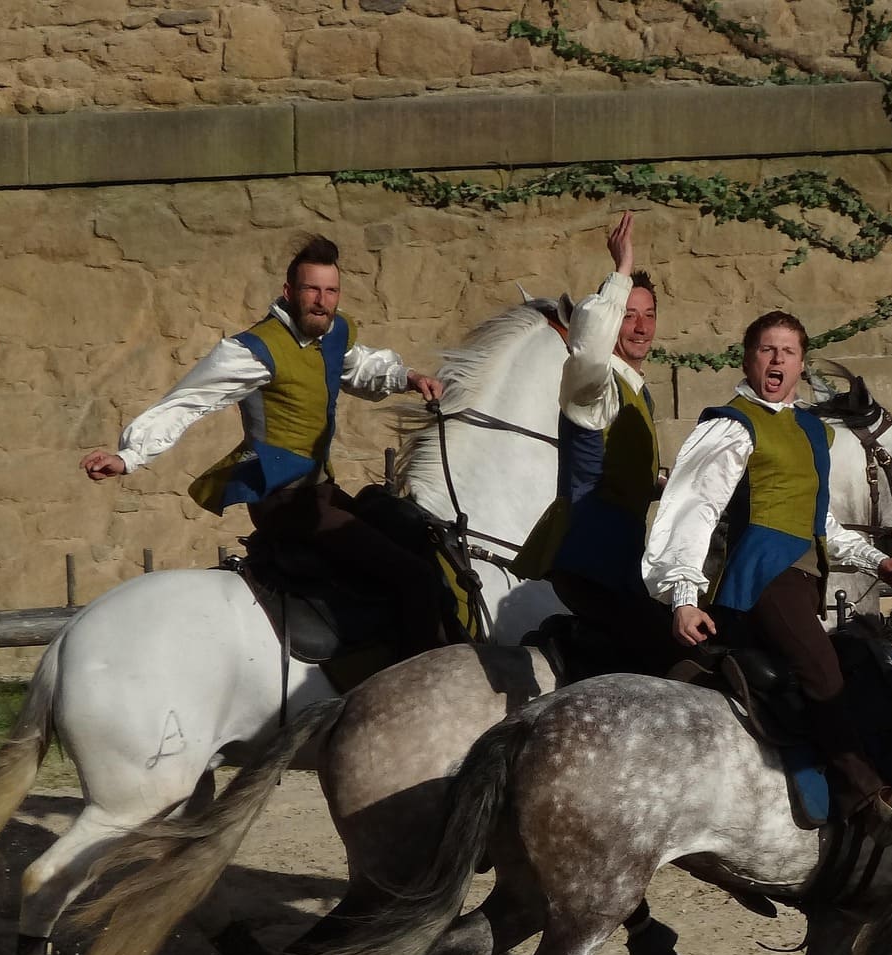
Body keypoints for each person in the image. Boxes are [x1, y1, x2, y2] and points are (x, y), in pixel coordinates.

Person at [80, 234, 465, 653]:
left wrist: (407, 378)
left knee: (412, 533)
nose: (321, 300)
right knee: (411, 576)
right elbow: (190, 401)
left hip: (321, 494)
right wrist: (129, 455)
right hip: (282, 502)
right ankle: (417, 677)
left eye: (330, 290)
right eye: (311, 289)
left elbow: (359, 366)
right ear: (289, 292)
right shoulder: (252, 351)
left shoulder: (334, 333)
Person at [643, 309, 892, 834]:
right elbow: (693, 507)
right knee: (823, 672)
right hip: (762, 580)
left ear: (801, 364)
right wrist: (682, 596)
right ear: (748, 359)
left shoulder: (809, 429)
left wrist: (875, 559)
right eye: (767, 349)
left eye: (788, 352)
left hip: (802, 580)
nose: (777, 360)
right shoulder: (731, 425)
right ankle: (867, 800)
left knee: (861, 659)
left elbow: (821, 521)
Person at [511, 212, 679, 674]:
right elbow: (586, 348)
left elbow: (620, 478)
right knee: (667, 658)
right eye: (628, 316)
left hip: (618, 566)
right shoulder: (595, 386)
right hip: (589, 562)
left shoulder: (636, 392)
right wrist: (621, 272)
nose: (641, 327)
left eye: (649, 316)